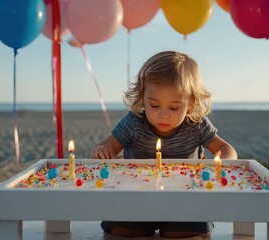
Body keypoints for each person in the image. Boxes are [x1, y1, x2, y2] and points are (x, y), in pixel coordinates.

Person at [90, 51, 237, 238]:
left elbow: (227, 150)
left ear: (191, 103)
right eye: (154, 105)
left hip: (185, 201)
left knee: (187, 233)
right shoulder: (134, 123)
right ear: (143, 96)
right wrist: (102, 150)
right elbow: (102, 148)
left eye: (174, 107)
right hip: (136, 200)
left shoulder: (196, 125)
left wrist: (220, 163)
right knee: (120, 230)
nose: (163, 114)